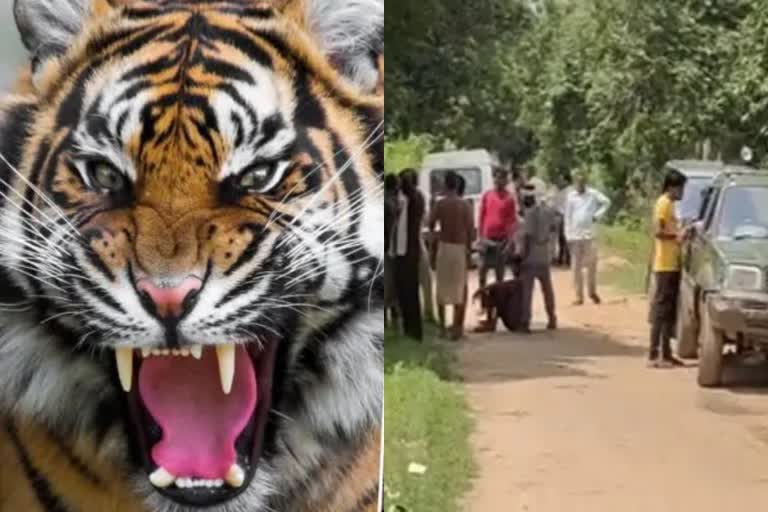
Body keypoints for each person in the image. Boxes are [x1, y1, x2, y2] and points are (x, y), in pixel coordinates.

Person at [649, 169, 689, 368]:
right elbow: (658, 231)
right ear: (673, 187)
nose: (683, 193)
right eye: (682, 188)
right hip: (664, 264)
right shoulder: (663, 204)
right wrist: (678, 237)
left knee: (669, 311)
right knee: (661, 310)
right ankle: (654, 354)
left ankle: (666, 352)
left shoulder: (671, 205)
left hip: (671, 263)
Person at [428, 172, 474, 340]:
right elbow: (470, 231)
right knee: (460, 288)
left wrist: (433, 248)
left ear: (445, 185)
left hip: (444, 247)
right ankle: (457, 328)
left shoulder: (440, 205)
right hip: (459, 249)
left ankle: (441, 327)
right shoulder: (465, 205)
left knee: (442, 288)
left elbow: (430, 224)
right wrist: (469, 251)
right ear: (457, 186)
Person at [564, 171, 611, 305]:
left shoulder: (593, 194)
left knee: (592, 265)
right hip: (575, 234)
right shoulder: (571, 196)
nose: (580, 184)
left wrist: (597, 215)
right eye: (577, 182)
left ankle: (592, 292)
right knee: (576, 267)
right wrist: (568, 234)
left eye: (582, 182)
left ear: (585, 182)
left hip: (590, 234)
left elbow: (607, 202)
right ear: (575, 183)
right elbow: (567, 216)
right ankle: (578, 296)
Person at [517, 184, 558, 333]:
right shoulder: (548, 211)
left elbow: (527, 237)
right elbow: (554, 229)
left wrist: (523, 256)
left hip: (531, 257)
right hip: (544, 255)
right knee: (547, 289)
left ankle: (525, 322)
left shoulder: (529, 215)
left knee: (527, 291)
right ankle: (552, 318)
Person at [392, 168, 424, 341]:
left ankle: (412, 331)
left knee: (407, 293)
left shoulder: (410, 199)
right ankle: (412, 330)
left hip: (406, 253)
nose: (401, 186)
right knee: (408, 293)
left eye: (404, 182)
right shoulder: (415, 197)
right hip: (408, 251)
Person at [478, 167, 518, 290]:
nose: (499, 180)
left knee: (499, 274)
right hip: (487, 240)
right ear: (494, 178)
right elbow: (481, 216)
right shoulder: (487, 195)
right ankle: (484, 301)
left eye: (502, 178)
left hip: (501, 241)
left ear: (506, 181)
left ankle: (498, 304)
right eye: (497, 177)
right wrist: (480, 238)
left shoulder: (510, 198)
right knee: (482, 271)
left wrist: (510, 242)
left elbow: (512, 221)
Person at [384, 173, 400, 329]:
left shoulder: (388, 201)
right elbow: (390, 227)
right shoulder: (391, 202)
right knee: (391, 284)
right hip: (390, 248)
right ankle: (392, 318)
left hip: (388, 247)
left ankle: (389, 319)